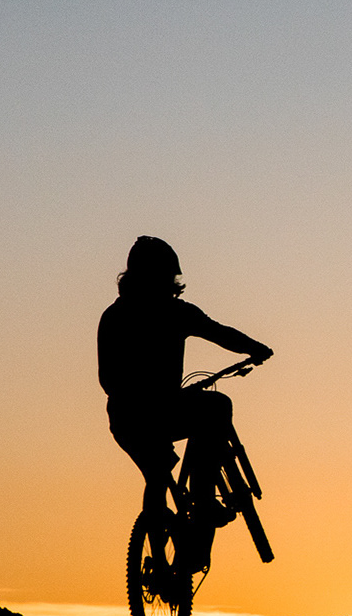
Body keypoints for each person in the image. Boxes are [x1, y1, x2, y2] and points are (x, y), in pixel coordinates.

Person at [98, 236, 272, 553]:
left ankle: (159, 560)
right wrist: (255, 349)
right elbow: (221, 333)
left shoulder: (114, 316)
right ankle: (204, 499)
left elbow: (106, 379)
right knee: (217, 406)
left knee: (156, 476)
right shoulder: (176, 313)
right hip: (158, 412)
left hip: (125, 418)